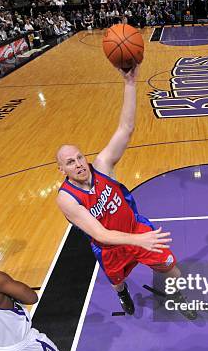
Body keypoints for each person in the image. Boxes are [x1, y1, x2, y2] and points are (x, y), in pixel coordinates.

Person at [56, 66, 196, 319]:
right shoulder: (66, 199)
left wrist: (130, 83)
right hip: (110, 248)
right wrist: (137, 242)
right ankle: (122, 293)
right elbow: (100, 233)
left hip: (135, 230)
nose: (78, 164)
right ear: (62, 170)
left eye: (79, 157)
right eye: (70, 162)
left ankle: (180, 296)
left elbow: (125, 128)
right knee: (117, 281)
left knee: (171, 268)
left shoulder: (102, 166)